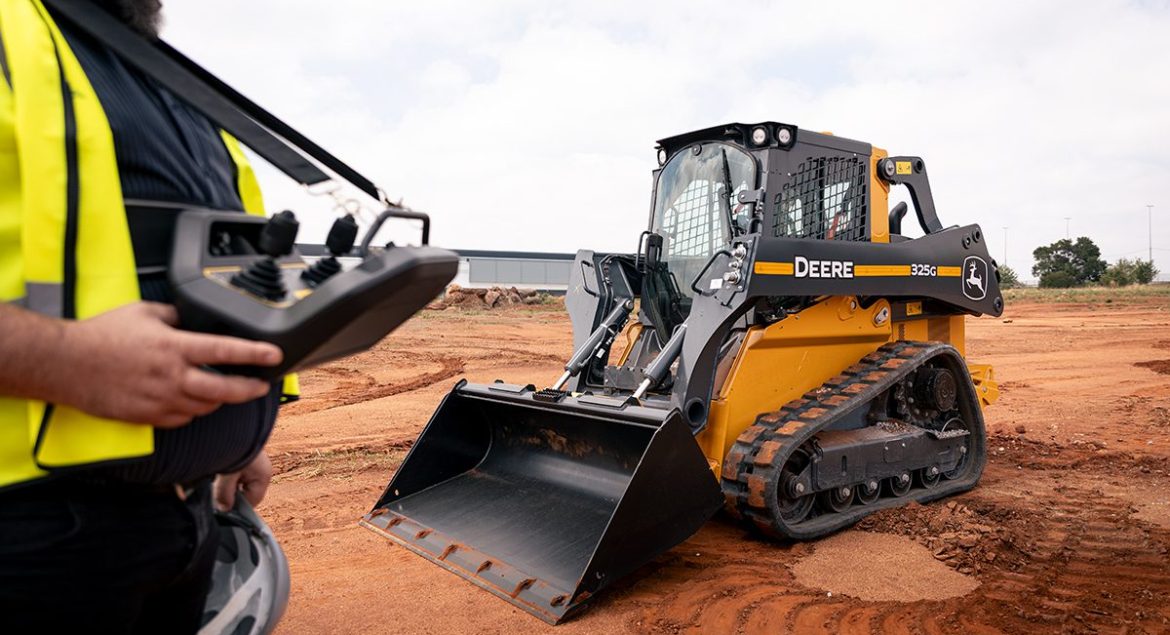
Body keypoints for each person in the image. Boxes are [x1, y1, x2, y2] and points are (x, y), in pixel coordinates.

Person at [0, 0, 296, 631]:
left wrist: (236, 432)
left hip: (181, 521)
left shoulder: (161, 76)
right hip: (24, 533)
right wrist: (58, 358)